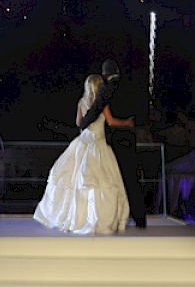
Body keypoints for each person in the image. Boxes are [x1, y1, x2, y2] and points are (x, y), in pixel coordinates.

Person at [33, 73, 131, 235]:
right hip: (98, 143)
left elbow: (79, 123)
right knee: (102, 180)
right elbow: (111, 122)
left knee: (74, 179)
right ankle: (98, 218)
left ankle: (75, 217)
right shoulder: (102, 104)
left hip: (83, 142)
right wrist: (126, 123)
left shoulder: (82, 102)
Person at [78, 59, 147, 230]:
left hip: (115, 140)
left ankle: (107, 217)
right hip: (129, 138)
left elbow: (97, 110)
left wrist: (83, 123)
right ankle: (139, 219)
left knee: (112, 180)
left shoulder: (107, 89)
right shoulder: (130, 87)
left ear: (105, 74)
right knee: (130, 178)